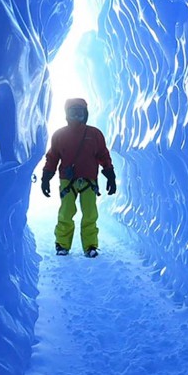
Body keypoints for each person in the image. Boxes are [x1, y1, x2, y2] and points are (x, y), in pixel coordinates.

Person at [40, 98, 116, 257]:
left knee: (90, 214)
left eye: (79, 112)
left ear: (85, 114)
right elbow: (52, 157)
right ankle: (62, 245)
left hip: (89, 180)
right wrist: (46, 177)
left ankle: (90, 246)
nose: (76, 115)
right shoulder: (59, 135)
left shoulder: (94, 134)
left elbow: (103, 154)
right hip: (68, 181)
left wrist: (110, 174)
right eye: (73, 112)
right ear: (67, 115)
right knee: (66, 213)